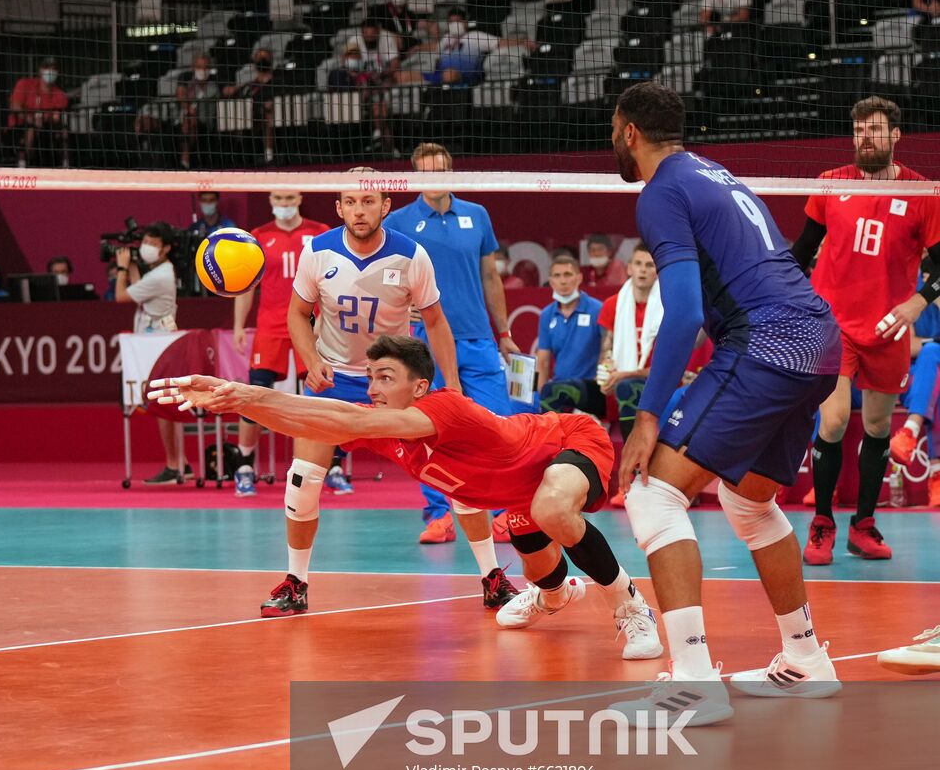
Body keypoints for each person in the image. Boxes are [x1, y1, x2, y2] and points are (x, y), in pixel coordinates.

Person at [149, 335, 662, 659]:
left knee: (552, 509)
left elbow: (343, 417)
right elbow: (311, 418)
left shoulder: (446, 409)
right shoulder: (386, 427)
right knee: (543, 578)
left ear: (419, 389)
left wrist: (249, 394)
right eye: (370, 377)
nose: (373, 387)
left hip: (568, 443)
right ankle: (556, 594)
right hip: (519, 491)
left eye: (386, 377)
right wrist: (232, 399)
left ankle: (631, 608)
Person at [609, 82, 843, 727]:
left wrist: (649, 413)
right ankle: (805, 657)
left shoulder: (661, 191)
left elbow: (682, 310)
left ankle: (691, 684)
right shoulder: (716, 173)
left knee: (654, 493)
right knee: (748, 500)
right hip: (819, 342)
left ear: (629, 131)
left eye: (612, 128)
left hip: (769, 341)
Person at [257, 168, 463, 618]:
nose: (359, 210)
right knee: (302, 480)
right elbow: (297, 314)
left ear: (385, 206)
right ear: (339, 207)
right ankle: (296, 583)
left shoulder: (412, 256)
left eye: (368, 202)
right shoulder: (318, 251)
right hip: (334, 382)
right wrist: (312, 360)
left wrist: (454, 386)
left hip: (393, 381)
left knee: (457, 472)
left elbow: (435, 322)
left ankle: (491, 576)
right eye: (350, 202)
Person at [790, 96, 940, 564]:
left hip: (889, 328)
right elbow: (803, 249)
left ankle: (864, 525)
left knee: (876, 425)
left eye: (874, 130)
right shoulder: (831, 184)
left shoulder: (922, 194)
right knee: (833, 421)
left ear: (896, 135)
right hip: (833, 324)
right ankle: (821, 525)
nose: (864, 138)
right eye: (858, 130)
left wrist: (919, 301)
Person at [386, 142, 518, 588]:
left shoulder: (477, 215)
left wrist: (505, 332)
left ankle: (503, 512)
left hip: (478, 339)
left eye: (440, 168)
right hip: (422, 342)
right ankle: (439, 514)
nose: (434, 176)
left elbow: (490, 277)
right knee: (427, 429)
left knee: (498, 423)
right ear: (415, 176)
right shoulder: (399, 222)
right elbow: (388, 280)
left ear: (450, 169)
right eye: (425, 171)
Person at [231, 190, 330, 498]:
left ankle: (332, 467)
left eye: (289, 198)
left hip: (309, 326)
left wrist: (325, 323)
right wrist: (238, 325)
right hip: (270, 327)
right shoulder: (257, 237)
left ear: (299, 198)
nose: (283, 204)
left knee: (320, 397)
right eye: (278, 198)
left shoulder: (320, 233)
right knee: (254, 394)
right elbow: (246, 284)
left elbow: (330, 283)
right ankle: (245, 465)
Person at [115, 222, 190, 485]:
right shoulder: (159, 272)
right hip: (156, 342)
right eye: (145, 241)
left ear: (166, 248)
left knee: (161, 406)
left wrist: (122, 268)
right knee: (165, 405)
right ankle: (184, 464)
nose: (148, 247)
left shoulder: (161, 276)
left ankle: (172, 466)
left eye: (154, 243)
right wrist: (134, 266)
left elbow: (122, 296)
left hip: (158, 346)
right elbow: (140, 290)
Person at [595, 244, 661, 452]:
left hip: (658, 384)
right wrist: (605, 375)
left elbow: (665, 367)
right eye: (638, 264)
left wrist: (623, 375)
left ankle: (632, 462)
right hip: (621, 380)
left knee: (627, 387)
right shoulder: (613, 305)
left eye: (649, 265)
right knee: (555, 392)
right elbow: (606, 351)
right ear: (629, 268)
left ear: (657, 271)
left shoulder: (668, 306)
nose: (643, 270)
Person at [536, 253, 605, 418]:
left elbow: (607, 351)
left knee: (557, 390)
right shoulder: (547, 314)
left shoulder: (597, 309)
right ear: (551, 280)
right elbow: (543, 361)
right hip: (560, 387)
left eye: (568, 274)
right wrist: (541, 396)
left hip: (591, 388)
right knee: (553, 391)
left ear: (579, 278)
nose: (563, 281)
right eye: (557, 276)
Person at [891, 299, 940, 506]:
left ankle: (910, 431)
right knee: (931, 354)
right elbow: (907, 345)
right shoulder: (911, 289)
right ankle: (937, 476)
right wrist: (935, 341)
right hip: (913, 375)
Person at [9, 58, 69, 168]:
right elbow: (15, 106)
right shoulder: (24, 84)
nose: (50, 71)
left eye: (54, 68)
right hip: (20, 126)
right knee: (30, 130)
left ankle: (65, 164)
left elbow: (56, 116)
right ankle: (23, 163)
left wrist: (45, 118)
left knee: (63, 132)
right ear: (40, 70)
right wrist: (30, 118)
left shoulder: (59, 94)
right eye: (46, 67)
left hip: (47, 128)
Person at [223, 50, 278, 163]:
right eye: (259, 57)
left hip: (274, 115)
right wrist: (231, 90)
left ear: (271, 60)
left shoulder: (277, 81)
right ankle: (236, 156)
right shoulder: (250, 85)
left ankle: (269, 155)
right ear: (254, 62)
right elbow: (237, 94)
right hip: (250, 115)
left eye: (265, 57)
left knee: (268, 115)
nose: (262, 60)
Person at [177, 54, 220, 170]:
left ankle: (185, 160)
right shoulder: (188, 83)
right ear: (193, 67)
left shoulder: (213, 86)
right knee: (189, 121)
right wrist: (187, 107)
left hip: (205, 123)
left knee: (191, 121)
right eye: (199, 67)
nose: (203, 70)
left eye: (206, 67)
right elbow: (180, 96)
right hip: (185, 120)